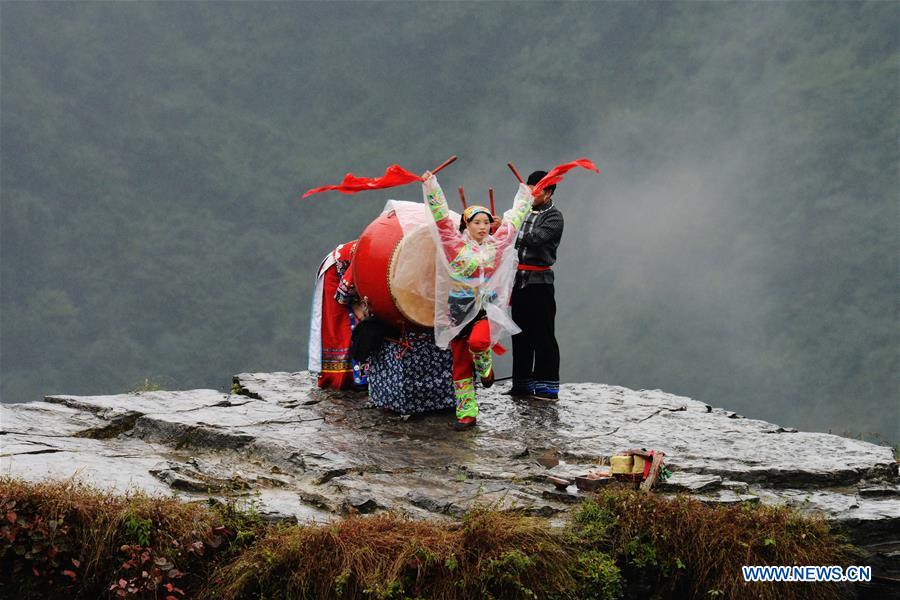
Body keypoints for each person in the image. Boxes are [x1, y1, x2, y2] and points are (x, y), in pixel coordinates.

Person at [422, 171, 533, 429]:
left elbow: (512, 222)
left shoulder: (496, 245)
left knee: (480, 341)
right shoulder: (454, 246)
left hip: (484, 309)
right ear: (466, 225)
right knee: (460, 364)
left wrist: (525, 197)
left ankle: (484, 365)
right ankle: (467, 414)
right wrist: (431, 186)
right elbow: (440, 218)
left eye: (486, 222)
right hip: (459, 310)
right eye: (477, 223)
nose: (483, 227)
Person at [506, 170, 563, 401]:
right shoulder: (522, 212)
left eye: (536, 190)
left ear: (548, 193)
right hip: (518, 282)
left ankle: (547, 387)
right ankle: (522, 384)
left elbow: (536, 238)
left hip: (540, 283)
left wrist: (507, 229)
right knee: (519, 333)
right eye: (529, 189)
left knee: (543, 334)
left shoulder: (554, 217)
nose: (530, 194)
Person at [308, 240, 370, 390]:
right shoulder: (370, 254)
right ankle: (339, 380)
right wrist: (357, 306)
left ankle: (361, 378)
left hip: (352, 277)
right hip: (335, 273)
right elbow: (344, 291)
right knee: (341, 328)